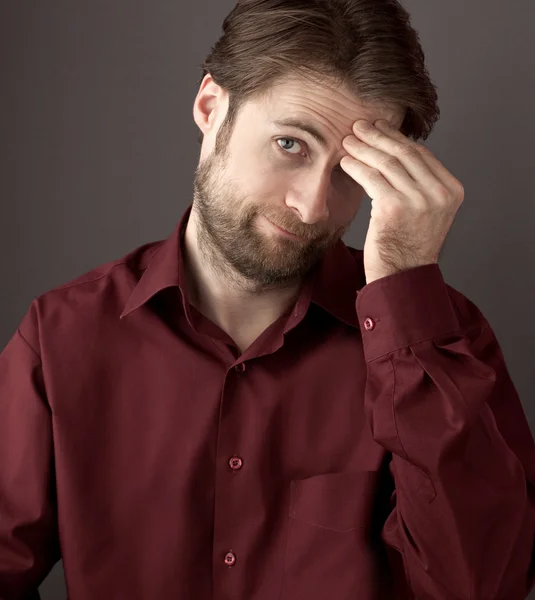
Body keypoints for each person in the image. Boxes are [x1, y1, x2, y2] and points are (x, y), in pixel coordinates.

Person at [1, 0, 535, 598]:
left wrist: (406, 304)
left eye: (350, 172)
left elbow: (485, 587)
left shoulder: (442, 336)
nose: (312, 206)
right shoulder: (60, 336)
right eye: (290, 144)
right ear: (211, 106)